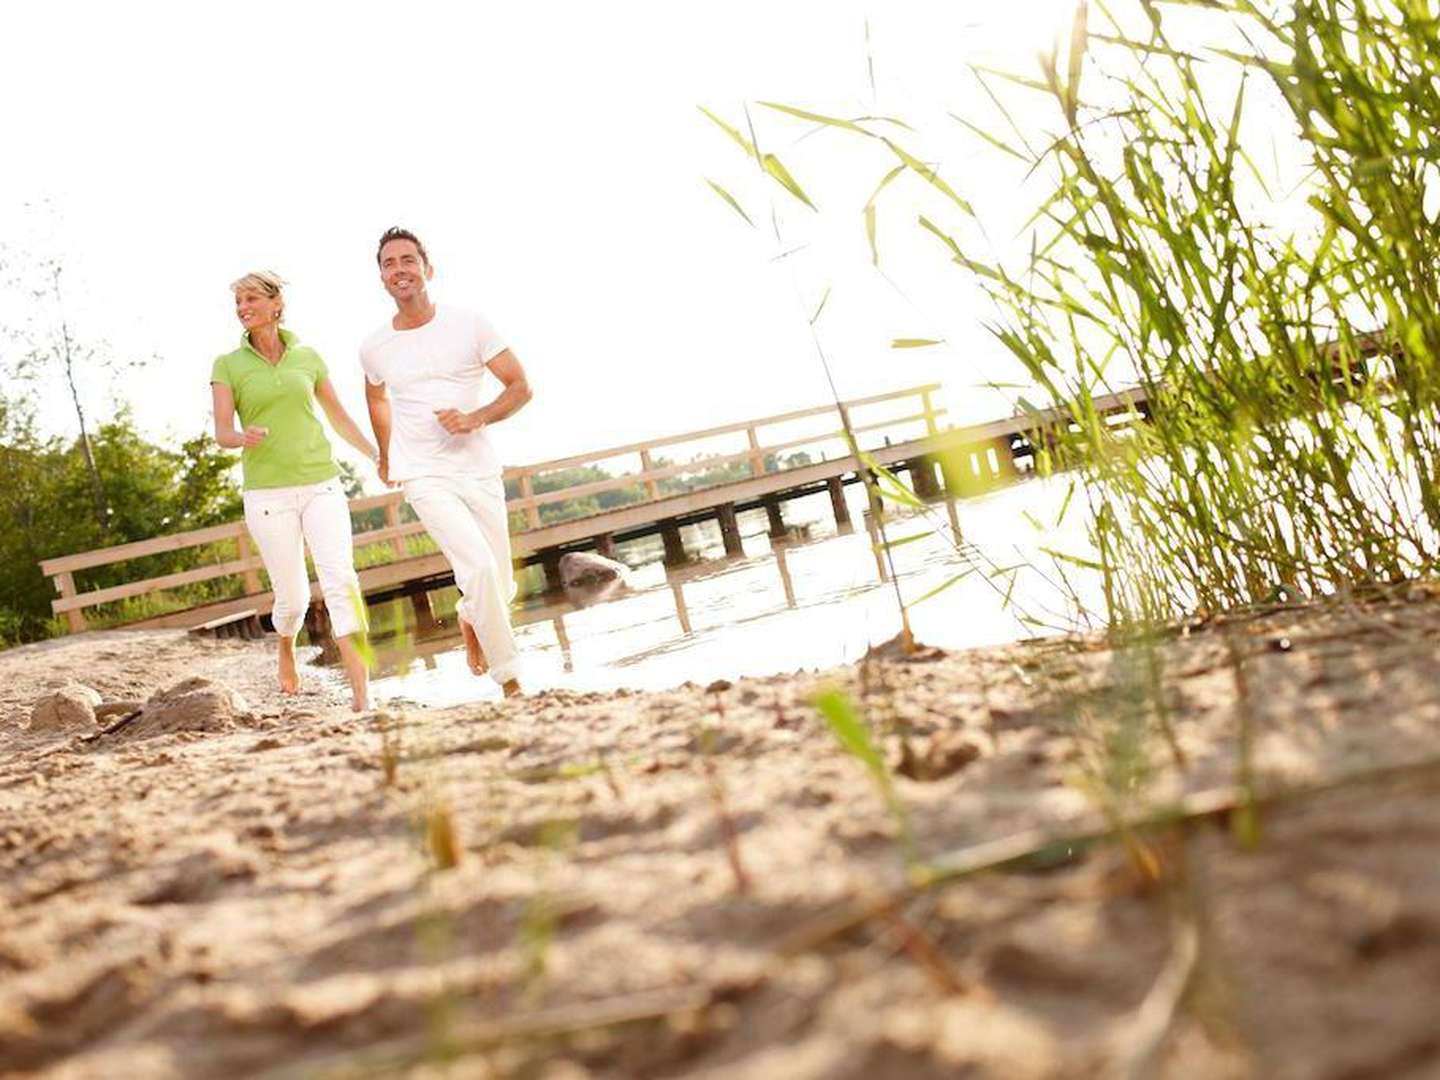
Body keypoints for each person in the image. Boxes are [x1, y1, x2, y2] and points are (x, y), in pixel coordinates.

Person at [360, 227, 533, 698]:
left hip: (477, 467)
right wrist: (385, 452)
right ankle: (512, 682)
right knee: (476, 569)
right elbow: (376, 396)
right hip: (422, 473)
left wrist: (475, 418)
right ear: (381, 277)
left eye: (407, 260)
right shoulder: (374, 347)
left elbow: (520, 387)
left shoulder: (470, 324)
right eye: (389, 263)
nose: (400, 270)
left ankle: (467, 614)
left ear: (427, 268)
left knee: (500, 584)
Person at [211, 271, 380, 712]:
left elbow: (338, 417)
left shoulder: (308, 356)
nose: (243, 307)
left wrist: (377, 454)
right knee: (293, 597)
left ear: (275, 303)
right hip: (267, 496)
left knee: (341, 580)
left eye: (252, 298)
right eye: (238, 301)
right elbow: (222, 432)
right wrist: (241, 437)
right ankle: (286, 643)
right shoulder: (228, 365)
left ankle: (363, 696)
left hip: (321, 481)